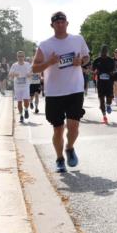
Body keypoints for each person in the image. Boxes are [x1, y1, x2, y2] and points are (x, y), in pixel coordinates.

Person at [32, 12, 90, 173]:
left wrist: (81, 62)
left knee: (73, 125)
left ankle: (69, 147)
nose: (60, 24)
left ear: (67, 23)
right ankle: (59, 159)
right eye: (56, 22)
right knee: (58, 129)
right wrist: (49, 62)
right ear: (52, 25)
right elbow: (34, 68)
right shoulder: (45, 45)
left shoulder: (77, 39)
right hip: (54, 92)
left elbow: (86, 58)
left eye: (62, 21)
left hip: (75, 90)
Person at [92, 45, 116, 125]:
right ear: (100, 52)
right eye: (103, 51)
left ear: (107, 52)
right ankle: (104, 116)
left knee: (109, 98)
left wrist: (112, 73)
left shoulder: (111, 60)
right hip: (100, 83)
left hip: (109, 83)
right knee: (101, 101)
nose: (104, 53)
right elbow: (93, 70)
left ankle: (108, 105)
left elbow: (114, 70)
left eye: (105, 51)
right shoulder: (96, 60)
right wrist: (95, 72)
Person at [9, 50, 33, 123]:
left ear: (24, 57)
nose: (20, 58)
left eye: (22, 56)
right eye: (19, 56)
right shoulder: (14, 65)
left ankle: (26, 110)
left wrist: (30, 74)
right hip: (17, 86)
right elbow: (10, 75)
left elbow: (32, 72)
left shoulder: (28, 64)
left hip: (25, 85)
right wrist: (14, 74)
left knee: (26, 100)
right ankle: (21, 115)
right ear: (17, 57)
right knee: (19, 102)